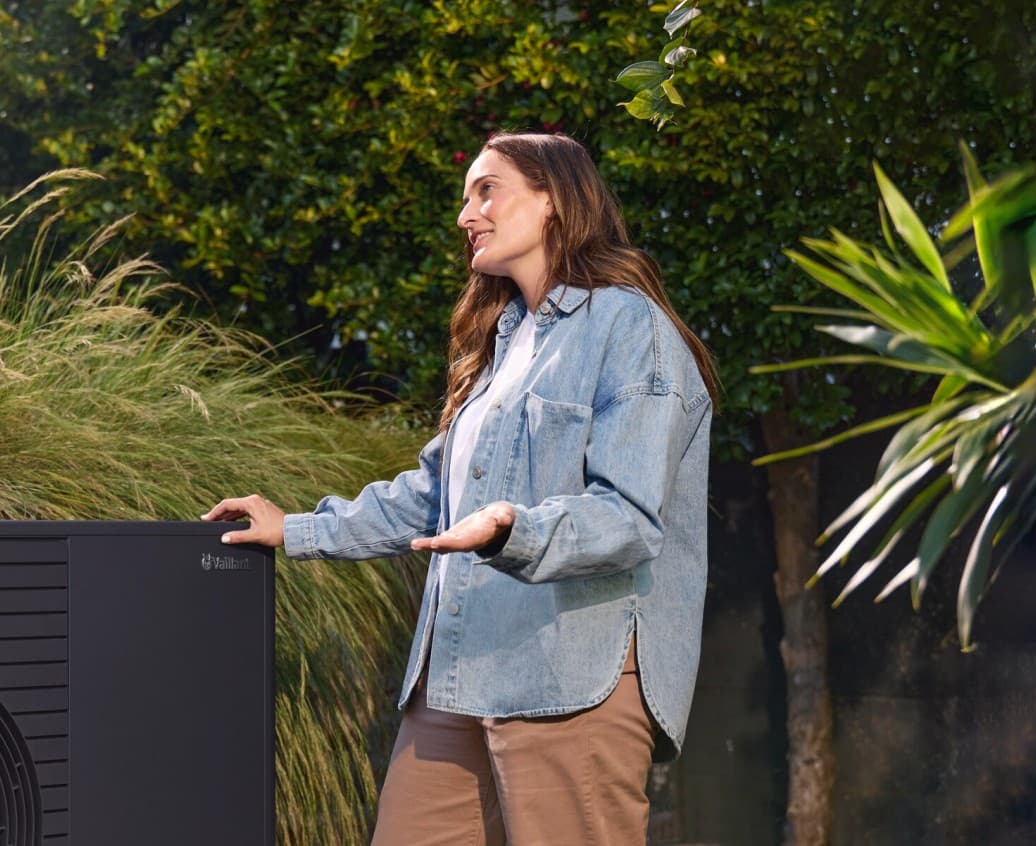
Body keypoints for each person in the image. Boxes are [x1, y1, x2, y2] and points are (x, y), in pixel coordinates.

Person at [205, 132, 717, 845]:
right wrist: (293, 528)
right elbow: (432, 497)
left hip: (570, 676)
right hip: (457, 674)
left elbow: (627, 517)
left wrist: (513, 527)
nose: (465, 214)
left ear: (552, 200)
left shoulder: (629, 327)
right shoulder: (505, 342)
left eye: (487, 190)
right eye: (465, 196)